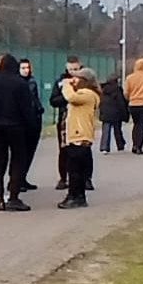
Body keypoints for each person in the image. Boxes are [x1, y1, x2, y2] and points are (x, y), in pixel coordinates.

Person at [0, 53, 40, 212]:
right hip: (16, 127)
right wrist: (31, 127)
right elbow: (27, 109)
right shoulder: (20, 84)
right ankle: (14, 196)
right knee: (18, 160)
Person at [59, 68, 101, 209]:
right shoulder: (86, 94)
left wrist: (66, 84)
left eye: (77, 78)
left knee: (74, 169)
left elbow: (71, 97)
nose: (73, 81)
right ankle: (78, 196)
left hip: (79, 135)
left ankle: (74, 196)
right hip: (78, 134)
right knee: (77, 169)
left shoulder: (87, 94)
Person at [49, 55, 83, 189]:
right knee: (64, 150)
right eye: (70, 69)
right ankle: (63, 178)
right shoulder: (61, 82)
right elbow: (53, 100)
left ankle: (85, 178)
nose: (73, 72)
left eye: (76, 69)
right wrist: (68, 97)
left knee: (82, 150)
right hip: (65, 119)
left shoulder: (84, 80)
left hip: (81, 119)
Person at [16, 58, 43, 198]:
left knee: (30, 152)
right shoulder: (18, 84)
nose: (26, 70)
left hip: (34, 119)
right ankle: (17, 180)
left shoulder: (32, 82)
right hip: (22, 122)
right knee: (22, 153)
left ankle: (23, 178)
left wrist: (39, 109)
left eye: (27, 67)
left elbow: (35, 99)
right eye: (23, 68)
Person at [98, 74, 129, 154]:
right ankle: (120, 145)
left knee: (106, 130)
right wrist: (125, 114)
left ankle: (104, 147)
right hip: (116, 113)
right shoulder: (117, 90)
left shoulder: (103, 90)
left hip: (105, 113)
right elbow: (121, 103)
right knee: (117, 130)